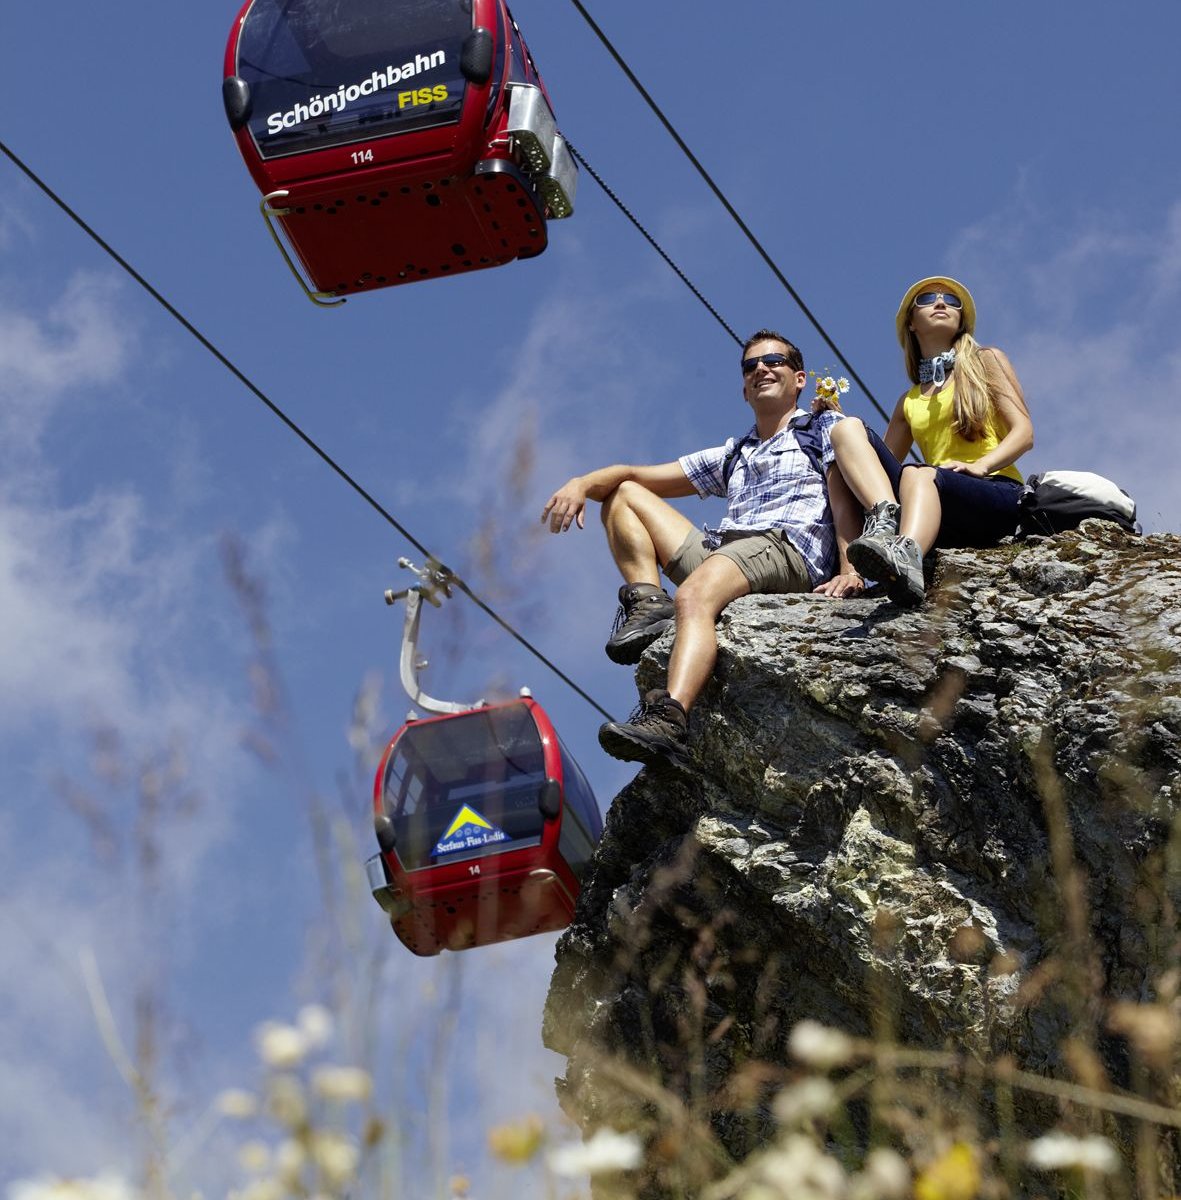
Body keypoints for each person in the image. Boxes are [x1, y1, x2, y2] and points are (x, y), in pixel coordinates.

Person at [540, 330, 865, 767]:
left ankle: (670, 720)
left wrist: (851, 567)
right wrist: (580, 483)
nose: (761, 369)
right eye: (751, 366)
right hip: (727, 553)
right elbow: (635, 473)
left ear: (800, 378)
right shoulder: (737, 452)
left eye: (774, 361)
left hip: (787, 548)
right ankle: (649, 601)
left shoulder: (822, 427)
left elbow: (844, 502)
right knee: (624, 494)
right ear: (744, 388)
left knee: (693, 594)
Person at [826, 276, 1034, 605]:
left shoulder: (986, 362)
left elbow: (1024, 432)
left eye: (952, 301)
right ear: (911, 322)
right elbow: (873, 470)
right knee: (843, 438)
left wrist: (979, 466)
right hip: (934, 507)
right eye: (927, 299)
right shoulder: (908, 401)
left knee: (917, 472)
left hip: (995, 493)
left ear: (961, 319)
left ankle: (905, 557)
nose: (941, 303)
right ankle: (860, 559)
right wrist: (832, 418)